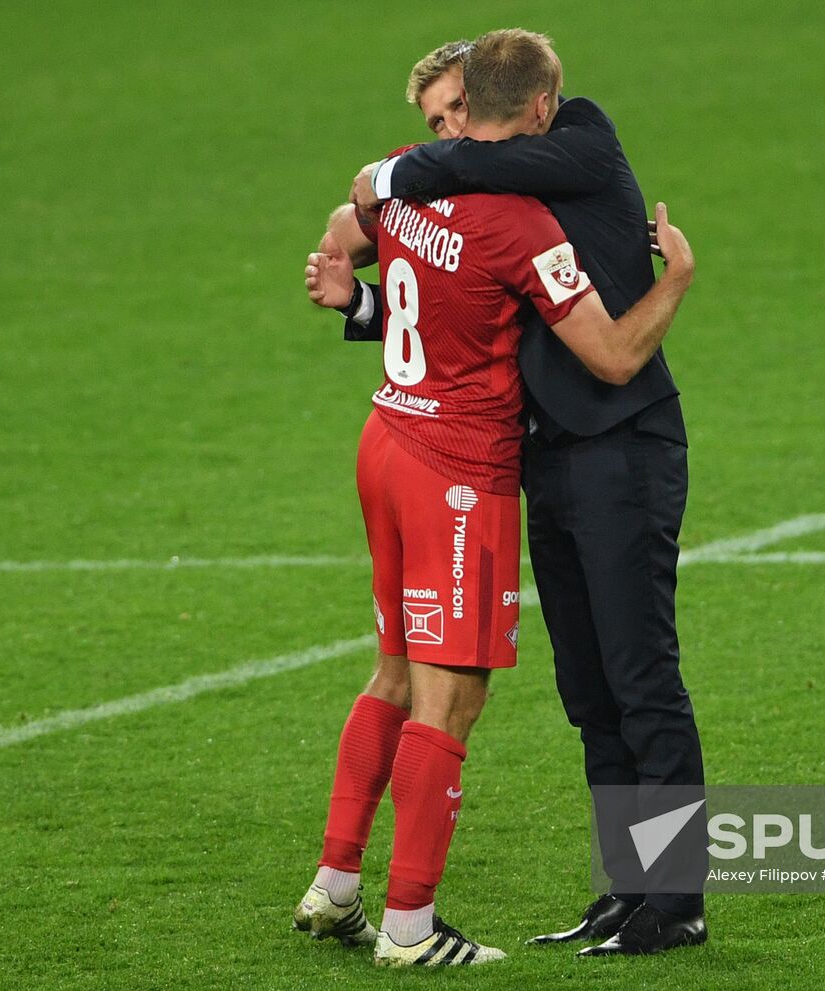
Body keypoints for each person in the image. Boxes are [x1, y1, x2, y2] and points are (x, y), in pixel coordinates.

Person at [297, 31, 695, 967]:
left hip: (622, 446)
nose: (444, 134)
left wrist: (677, 277)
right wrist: (364, 302)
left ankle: (675, 900)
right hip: (538, 453)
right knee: (589, 686)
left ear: (506, 109)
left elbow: (372, 208)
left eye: (454, 116)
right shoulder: (471, 192)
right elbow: (420, 285)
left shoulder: (579, 139)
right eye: (430, 124)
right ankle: (623, 890)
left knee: (641, 680)